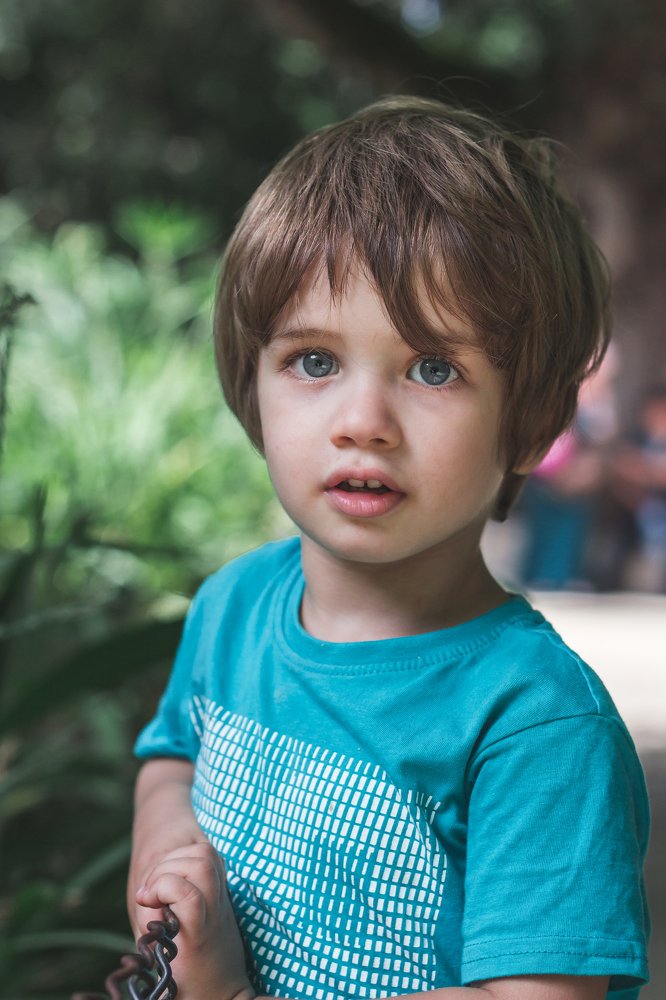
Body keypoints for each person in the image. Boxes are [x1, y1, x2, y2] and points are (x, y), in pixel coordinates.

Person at [128, 98, 650, 1000]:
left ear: (529, 428)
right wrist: (173, 870)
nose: (362, 423)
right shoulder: (233, 608)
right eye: (315, 361)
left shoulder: (536, 723)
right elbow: (172, 757)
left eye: (434, 369)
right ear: (253, 387)